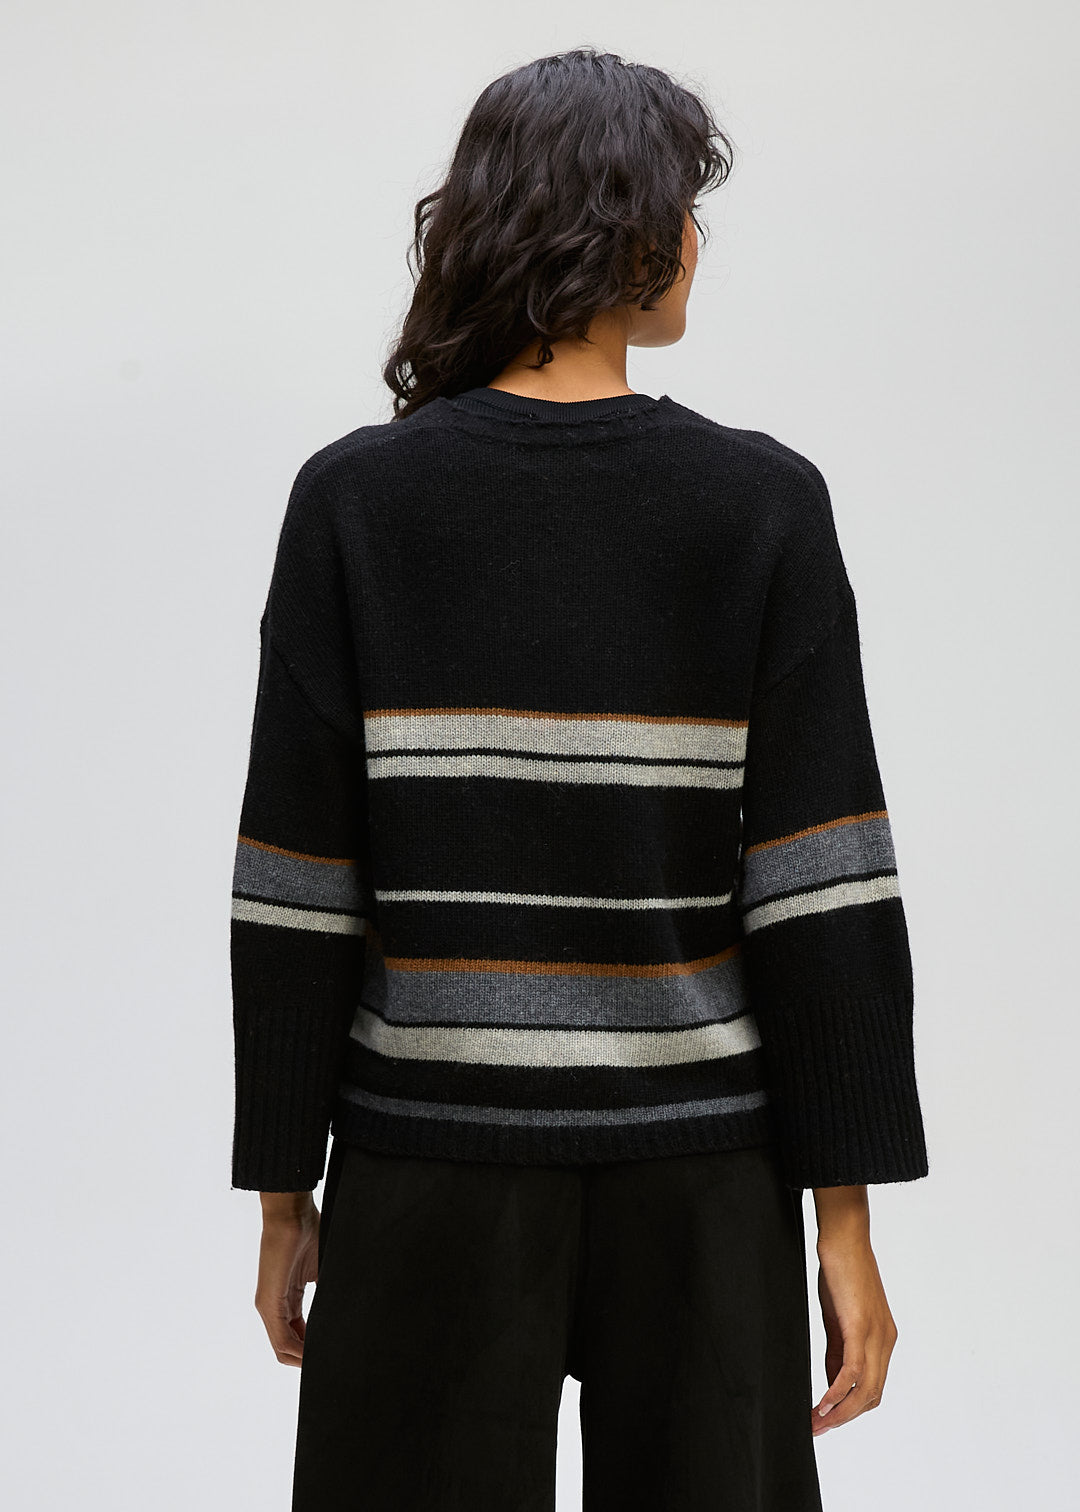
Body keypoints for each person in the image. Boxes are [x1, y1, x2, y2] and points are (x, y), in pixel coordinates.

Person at [229, 46, 929, 1512]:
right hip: (701, 1175)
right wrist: (843, 1220)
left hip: (428, 1160)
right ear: (622, 228)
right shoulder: (759, 503)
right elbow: (822, 894)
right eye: (685, 206)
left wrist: (288, 1186)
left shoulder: (357, 498)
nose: (698, 241)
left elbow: (298, 886)